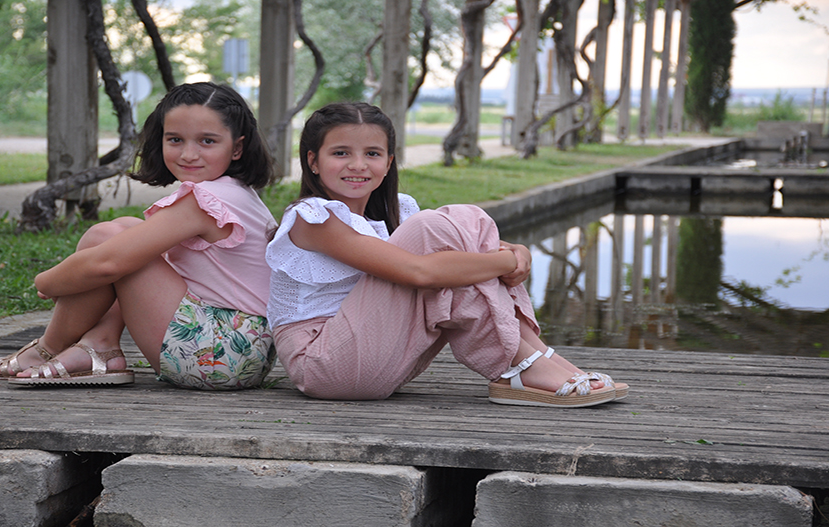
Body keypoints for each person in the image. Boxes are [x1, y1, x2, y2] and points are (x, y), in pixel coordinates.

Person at [265, 102, 627, 407]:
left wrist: (515, 251)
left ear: (389, 162)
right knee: (432, 233)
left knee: (464, 227)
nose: (358, 165)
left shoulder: (394, 213)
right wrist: (509, 260)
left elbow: (444, 266)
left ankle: (531, 359)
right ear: (313, 161)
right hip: (324, 363)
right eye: (341, 153)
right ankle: (524, 365)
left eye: (372, 154)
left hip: (381, 359)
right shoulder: (314, 219)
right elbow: (421, 273)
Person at [0, 82, 277, 390]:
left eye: (207, 141)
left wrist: (48, 282)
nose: (188, 154)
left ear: (237, 147)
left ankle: (47, 349)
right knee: (123, 232)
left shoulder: (206, 200)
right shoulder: (236, 193)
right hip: (246, 351)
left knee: (107, 240)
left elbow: (106, 264)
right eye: (175, 139)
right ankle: (99, 346)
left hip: (218, 353)